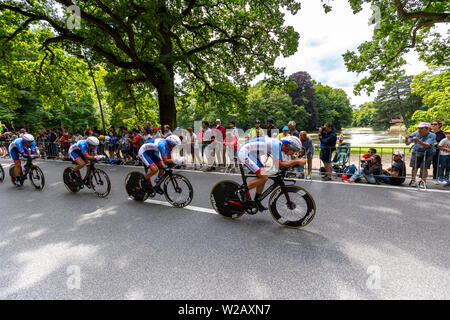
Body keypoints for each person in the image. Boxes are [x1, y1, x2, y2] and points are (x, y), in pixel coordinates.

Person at [236, 136, 306, 211]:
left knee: (263, 175)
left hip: (251, 153)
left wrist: (295, 162)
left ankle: (257, 200)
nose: (294, 153)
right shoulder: (276, 146)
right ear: (289, 146)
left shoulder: (278, 145)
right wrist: (297, 162)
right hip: (244, 152)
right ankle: (241, 191)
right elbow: (279, 164)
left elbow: (282, 163)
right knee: (264, 177)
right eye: (294, 150)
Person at [405, 122, 436, 187]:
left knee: (424, 168)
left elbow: (427, 145)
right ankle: (413, 180)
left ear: (427, 129)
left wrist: (418, 141)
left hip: (428, 153)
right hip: (416, 152)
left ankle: (423, 181)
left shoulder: (432, 135)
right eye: (418, 128)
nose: (419, 130)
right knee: (414, 167)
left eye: (421, 128)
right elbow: (407, 143)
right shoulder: (415, 134)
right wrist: (406, 138)